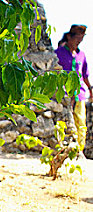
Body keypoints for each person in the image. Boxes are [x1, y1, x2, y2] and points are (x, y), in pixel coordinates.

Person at [55, 24, 92, 152]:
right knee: (63, 123)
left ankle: (78, 151)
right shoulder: (58, 53)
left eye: (81, 40)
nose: (79, 42)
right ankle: (63, 149)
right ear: (69, 37)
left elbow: (85, 75)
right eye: (77, 39)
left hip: (80, 94)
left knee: (81, 124)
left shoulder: (81, 55)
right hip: (64, 94)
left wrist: (90, 90)